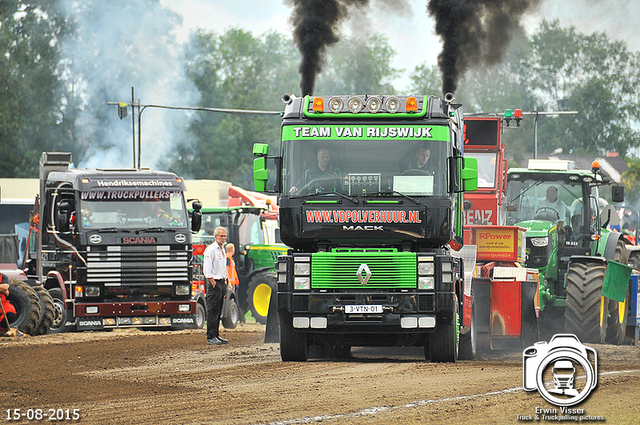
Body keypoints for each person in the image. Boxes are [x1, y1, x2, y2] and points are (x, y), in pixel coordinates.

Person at [203, 226, 228, 345]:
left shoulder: (222, 250)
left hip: (222, 282)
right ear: (215, 236)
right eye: (221, 236)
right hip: (215, 282)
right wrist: (213, 282)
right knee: (213, 309)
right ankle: (210, 336)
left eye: (225, 236)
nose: (223, 238)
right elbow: (207, 269)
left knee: (218, 309)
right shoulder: (211, 250)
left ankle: (216, 335)